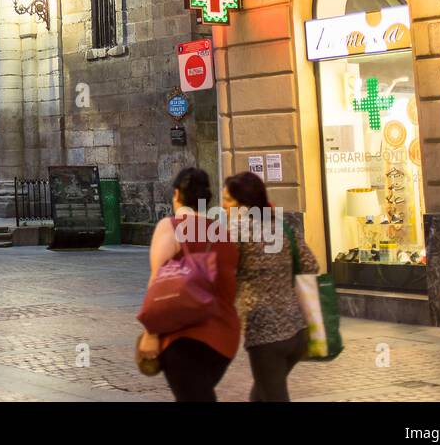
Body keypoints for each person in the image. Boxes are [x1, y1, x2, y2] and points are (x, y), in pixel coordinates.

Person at [137, 167, 239, 402]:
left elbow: (158, 282)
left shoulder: (170, 226)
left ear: (175, 194)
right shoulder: (222, 232)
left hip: (183, 338)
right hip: (224, 339)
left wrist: (151, 333)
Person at [223, 172, 319, 402]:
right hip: (297, 330)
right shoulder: (282, 226)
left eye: (227, 199)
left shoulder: (238, 230)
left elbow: (224, 273)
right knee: (261, 394)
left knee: (273, 395)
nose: (223, 205)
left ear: (242, 202)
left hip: (266, 333)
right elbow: (310, 264)